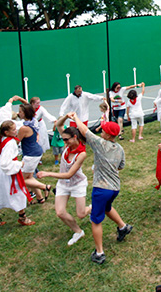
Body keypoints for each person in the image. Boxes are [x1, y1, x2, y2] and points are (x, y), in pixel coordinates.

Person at [69, 111, 133, 264]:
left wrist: (75, 117)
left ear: (108, 135)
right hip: (115, 188)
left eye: (104, 130)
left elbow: (85, 131)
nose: (101, 131)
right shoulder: (120, 149)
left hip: (101, 189)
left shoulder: (100, 144)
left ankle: (99, 253)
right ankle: (123, 227)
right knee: (107, 208)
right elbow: (121, 166)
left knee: (96, 220)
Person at [37, 122, 92, 246]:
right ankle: (78, 231)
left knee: (81, 214)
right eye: (63, 139)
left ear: (75, 137)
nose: (64, 142)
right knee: (60, 212)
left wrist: (48, 173)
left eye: (66, 139)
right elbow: (59, 124)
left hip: (77, 183)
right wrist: (67, 116)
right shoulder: (68, 144)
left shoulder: (82, 154)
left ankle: (92, 209)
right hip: (63, 184)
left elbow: (69, 174)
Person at [0, 120, 35, 227]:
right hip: (9, 172)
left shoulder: (3, 139)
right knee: (19, 193)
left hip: (2, 173)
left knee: (0, 193)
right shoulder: (10, 143)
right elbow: (5, 163)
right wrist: (19, 164)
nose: (16, 131)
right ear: (6, 132)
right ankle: (22, 217)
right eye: (13, 130)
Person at [17, 103, 52, 204]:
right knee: (29, 177)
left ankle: (45, 187)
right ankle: (40, 198)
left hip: (30, 154)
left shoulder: (24, 128)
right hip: (35, 152)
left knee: (22, 180)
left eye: (20, 112)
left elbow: (17, 140)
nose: (19, 113)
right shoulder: (33, 121)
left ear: (25, 113)